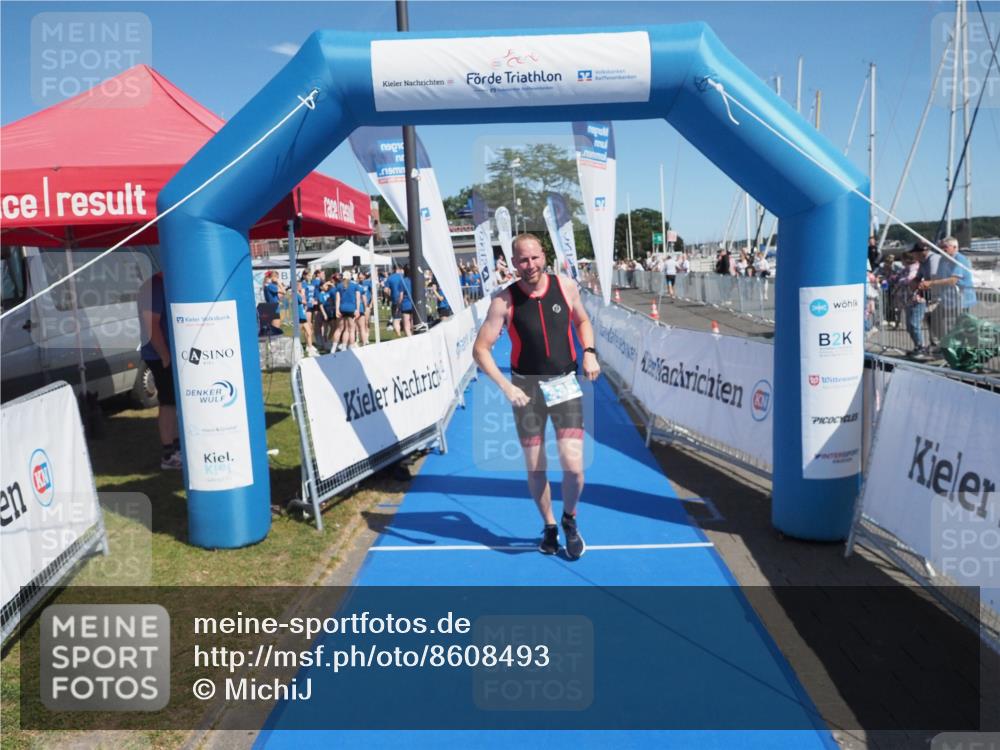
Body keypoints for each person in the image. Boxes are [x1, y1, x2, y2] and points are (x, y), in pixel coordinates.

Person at [473, 234, 600, 560]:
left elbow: (582, 320)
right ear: (513, 263)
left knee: (573, 466)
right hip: (526, 390)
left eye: (534, 258)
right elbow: (481, 350)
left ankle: (570, 519)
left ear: (544, 256)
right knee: (536, 466)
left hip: (564, 384)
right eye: (522, 260)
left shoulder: (566, 286)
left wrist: (589, 352)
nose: (529, 266)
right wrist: (507, 386)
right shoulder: (504, 301)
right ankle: (549, 526)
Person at [138, 271, 181, 470]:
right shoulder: (154, 286)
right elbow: (151, 324)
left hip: (169, 354)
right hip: (160, 355)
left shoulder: (166, 282)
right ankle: (168, 454)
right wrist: (165, 355)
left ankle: (176, 449)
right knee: (168, 403)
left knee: (174, 402)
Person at [921, 236, 976, 349]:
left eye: (945, 247)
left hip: (961, 299)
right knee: (932, 318)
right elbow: (939, 277)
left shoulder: (960, 259)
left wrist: (931, 283)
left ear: (955, 247)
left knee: (957, 327)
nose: (942, 249)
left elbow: (953, 280)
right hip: (947, 299)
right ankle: (944, 345)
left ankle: (956, 349)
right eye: (941, 247)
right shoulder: (942, 259)